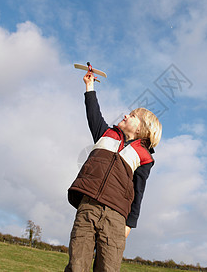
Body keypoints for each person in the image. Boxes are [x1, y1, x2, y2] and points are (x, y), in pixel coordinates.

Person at [64, 70, 162, 271]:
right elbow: (93, 112)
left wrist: (129, 224)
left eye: (133, 115)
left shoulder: (144, 158)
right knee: (76, 265)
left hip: (116, 218)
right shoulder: (105, 134)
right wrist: (89, 86)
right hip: (88, 207)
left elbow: (138, 192)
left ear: (142, 130)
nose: (126, 114)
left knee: (108, 268)